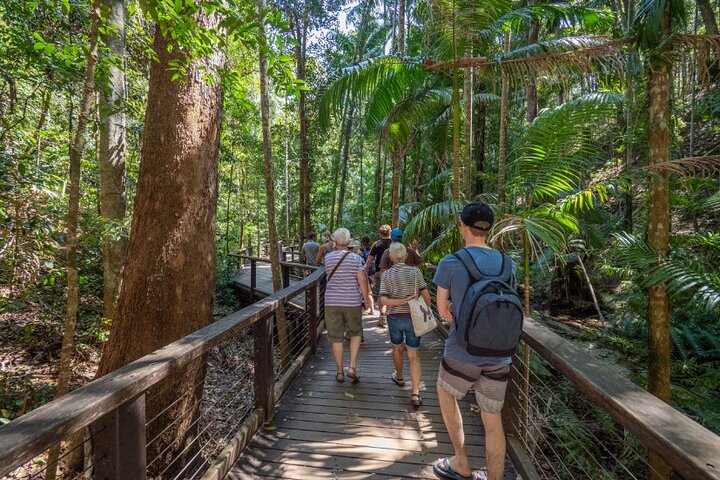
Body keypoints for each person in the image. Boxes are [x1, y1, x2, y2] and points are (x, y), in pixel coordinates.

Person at [431, 202, 513, 480]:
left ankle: (461, 462)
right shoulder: (507, 261)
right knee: (493, 419)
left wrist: (455, 309)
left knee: (446, 392)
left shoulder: (452, 261)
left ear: (462, 226)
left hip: (462, 351)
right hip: (500, 352)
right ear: (489, 228)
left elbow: (442, 312)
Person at [378, 243, 431, 408]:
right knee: (414, 354)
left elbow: (383, 300)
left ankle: (399, 377)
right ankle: (415, 393)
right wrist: (428, 311)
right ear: (406, 256)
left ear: (392, 257)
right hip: (414, 317)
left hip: (394, 317)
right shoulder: (415, 272)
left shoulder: (386, 275)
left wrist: (393, 305)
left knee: (397, 348)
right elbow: (425, 293)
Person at [324, 228, 371, 383]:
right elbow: (362, 281)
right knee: (356, 332)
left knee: (336, 336)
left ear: (335, 242)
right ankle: (351, 366)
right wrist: (366, 300)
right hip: (352, 301)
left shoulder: (328, 258)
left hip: (331, 302)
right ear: (349, 242)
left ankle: (339, 372)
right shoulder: (356, 259)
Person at [364, 225, 392, 326]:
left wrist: (365, 270)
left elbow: (370, 258)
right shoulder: (394, 243)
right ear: (390, 232)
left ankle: (382, 315)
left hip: (381, 273)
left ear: (380, 233)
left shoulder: (377, 244)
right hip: (394, 272)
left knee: (382, 294)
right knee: (393, 294)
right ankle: (390, 316)